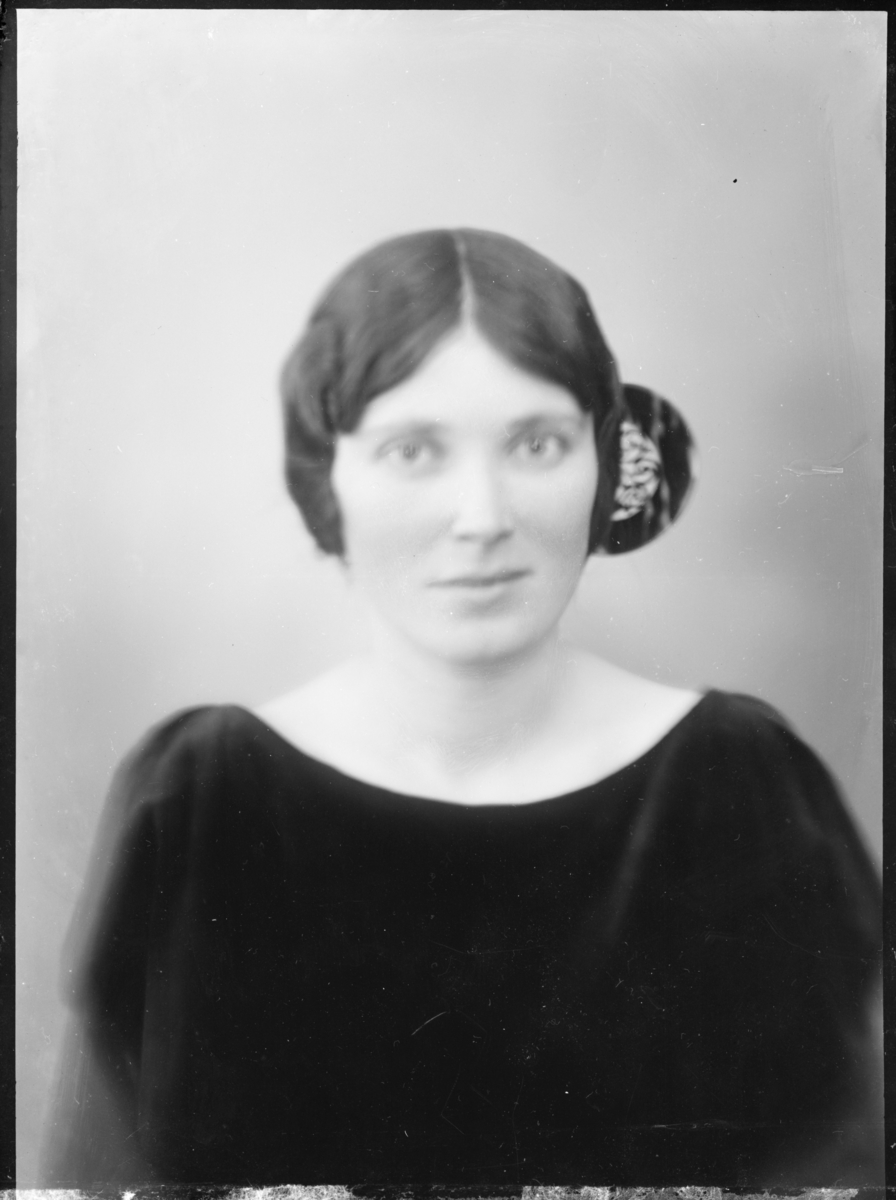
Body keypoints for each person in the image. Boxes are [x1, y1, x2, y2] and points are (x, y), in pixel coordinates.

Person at [45, 229, 881, 1188]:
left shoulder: (740, 784)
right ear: (328, 481)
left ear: (604, 465)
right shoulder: (205, 800)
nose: (482, 516)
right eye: (413, 450)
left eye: (537, 444)